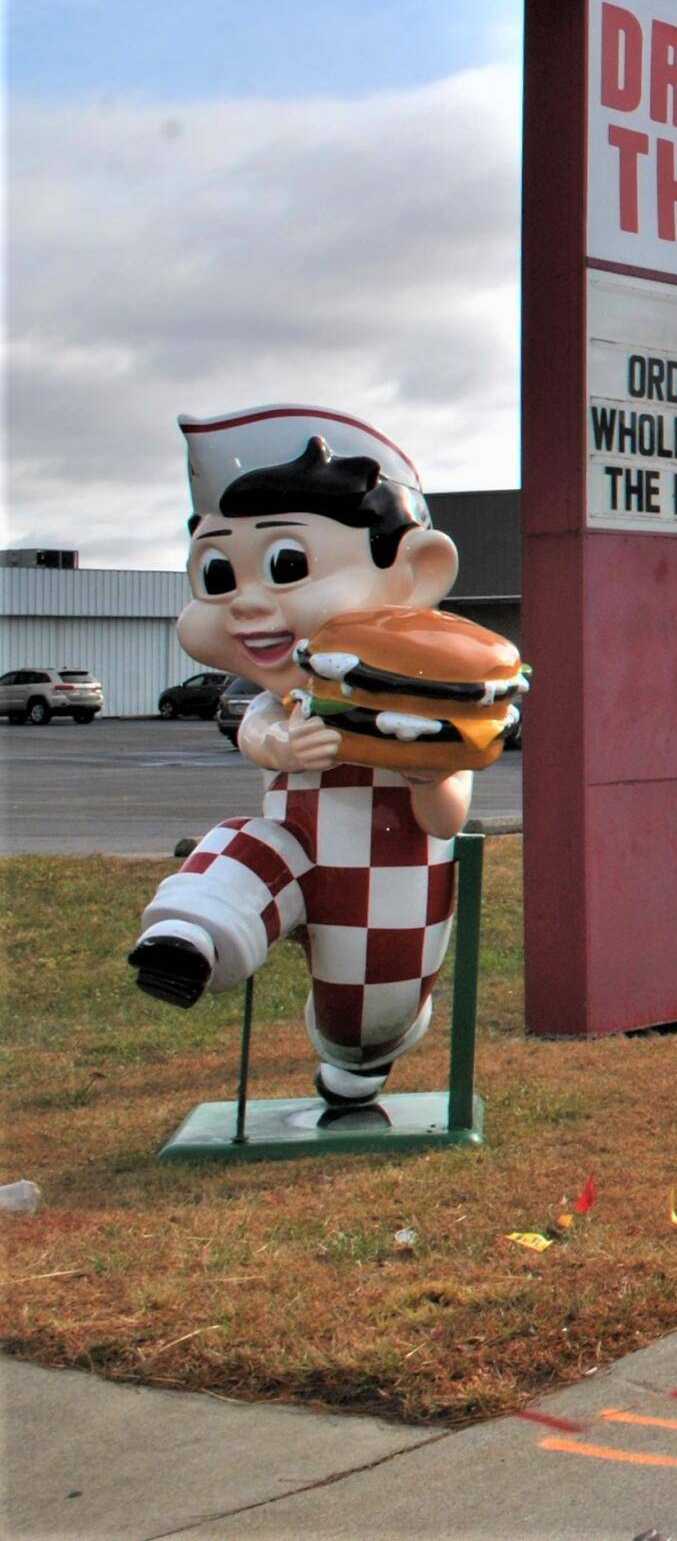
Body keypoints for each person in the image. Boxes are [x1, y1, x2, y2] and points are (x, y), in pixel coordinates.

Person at [127, 407, 475, 1117]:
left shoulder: (432, 703)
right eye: (219, 573)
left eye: (287, 566)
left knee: (367, 1017)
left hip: (393, 875)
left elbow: (447, 814)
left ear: (415, 574)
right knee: (244, 844)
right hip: (296, 844)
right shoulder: (283, 702)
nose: (248, 603)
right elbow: (256, 732)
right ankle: (188, 938)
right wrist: (280, 744)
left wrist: (429, 774)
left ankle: (358, 1063)